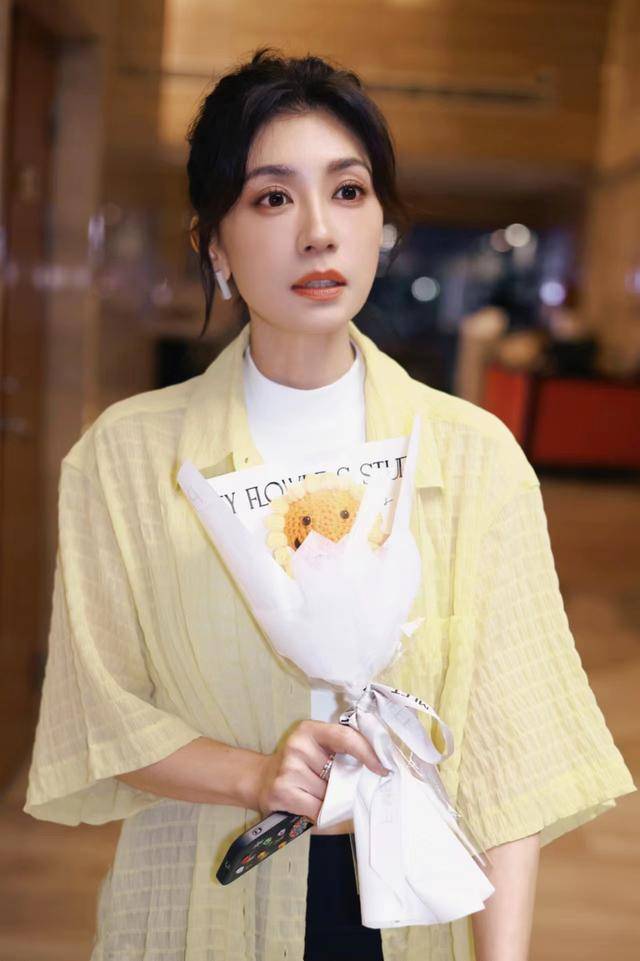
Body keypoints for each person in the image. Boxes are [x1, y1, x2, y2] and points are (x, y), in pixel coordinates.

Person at [23, 48, 636, 961]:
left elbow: (510, 756)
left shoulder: (472, 457)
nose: (318, 231)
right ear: (213, 242)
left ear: (380, 220)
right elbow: (101, 713)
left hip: (415, 915)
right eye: (273, 198)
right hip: (203, 906)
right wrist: (254, 775)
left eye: (348, 191)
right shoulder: (126, 460)